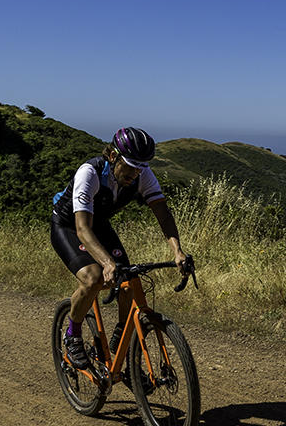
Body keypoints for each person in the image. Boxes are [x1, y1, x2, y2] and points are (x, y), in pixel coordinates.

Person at [51, 126, 190, 370]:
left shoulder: (142, 174)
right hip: (69, 226)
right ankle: (72, 335)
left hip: (99, 224)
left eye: (141, 166)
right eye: (130, 165)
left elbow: (163, 215)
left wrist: (177, 251)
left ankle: (118, 341)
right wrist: (106, 263)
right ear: (113, 156)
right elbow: (83, 229)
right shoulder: (90, 173)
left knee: (130, 281)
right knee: (93, 278)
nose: (135, 173)